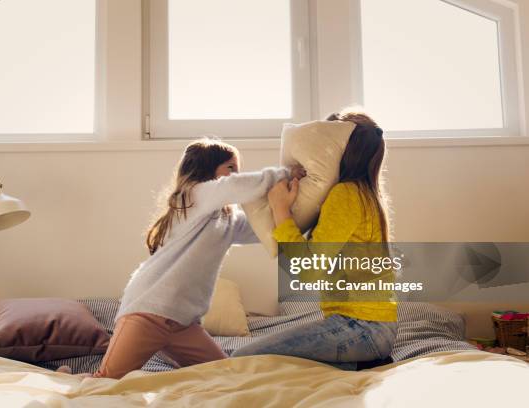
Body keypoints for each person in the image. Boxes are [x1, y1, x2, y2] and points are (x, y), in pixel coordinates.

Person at [76, 137, 304, 379]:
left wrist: (290, 209)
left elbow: (263, 230)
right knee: (107, 381)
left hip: (184, 325)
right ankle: (68, 376)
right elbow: (235, 187)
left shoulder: (227, 219)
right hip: (147, 313)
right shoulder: (192, 197)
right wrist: (285, 173)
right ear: (206, 170)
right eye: (230, 168)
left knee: (224, 375)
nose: (236, 174)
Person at [232, 109, 398, 370]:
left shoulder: (346, 195)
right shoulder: (362, 193)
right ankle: (354, 365)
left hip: (362, 328)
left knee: (241, 360)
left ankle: (362, 361)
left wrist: (281, 210)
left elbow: (307, 272)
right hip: (368, 328)